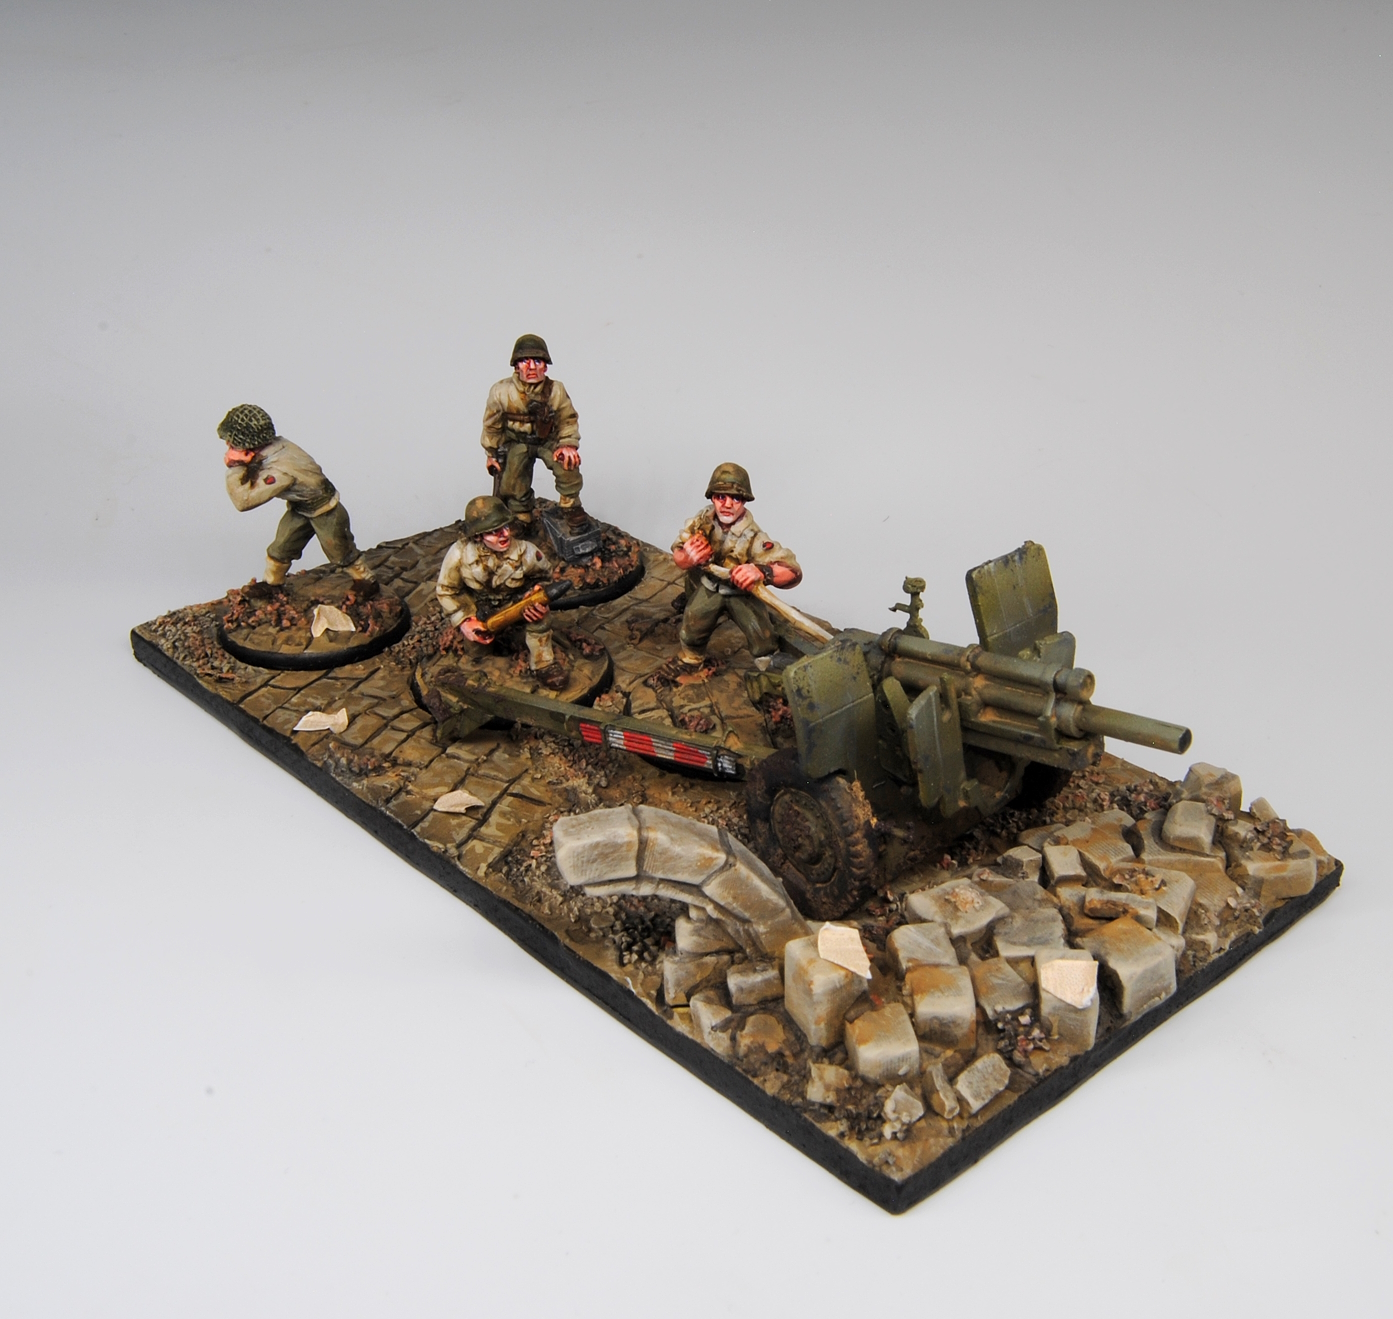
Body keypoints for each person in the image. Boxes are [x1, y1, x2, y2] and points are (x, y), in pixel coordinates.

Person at [219, 404, 376, 590]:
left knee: (340, 552)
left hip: (326, 511)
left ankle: (366, 582)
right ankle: (272, 584)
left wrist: (236, 466)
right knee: (281, 548)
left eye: (232, 443)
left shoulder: (281, 469)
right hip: (300, 508)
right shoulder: (275, 446)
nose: (227, 445)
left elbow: (243, 502)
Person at [671, 462, 801, 670]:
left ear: (744, 501)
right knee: (693, 627)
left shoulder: (754, 537)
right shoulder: (702, 522)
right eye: (721, 497)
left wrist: (761, 571)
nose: (727, 504)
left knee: (761, 635)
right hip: (710, 586)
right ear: (713, 498)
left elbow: (792, 572)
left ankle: (768, 669)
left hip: (741, 593)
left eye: (736, 498)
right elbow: (678, 554)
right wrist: (689, 557)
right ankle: (692, 660)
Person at [436, 495, 567, 687]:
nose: (504, 534)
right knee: (476, 654)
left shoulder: (527, 552)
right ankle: (480, 667)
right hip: (480, 612)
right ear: (478, 535)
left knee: (540, 620)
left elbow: (545, 577)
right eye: (494, 531)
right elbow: (447, 590)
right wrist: (464, 620)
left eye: (506, 527)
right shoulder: (460, 554)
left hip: (517, 607)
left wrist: (537, 594)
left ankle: (543, 664)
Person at [479, 334, 588, 528]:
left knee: (567, 466)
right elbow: (492, 425)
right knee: (512, 481)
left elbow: (567, 419)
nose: (531, 367)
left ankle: (571, 506)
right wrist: (491, 453)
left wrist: (567, 444)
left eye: (537, 361)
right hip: (516, 441)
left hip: (548, 440)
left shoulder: (555, 390)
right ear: (516, 366)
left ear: (545, 367)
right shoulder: (501, 392)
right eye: (524, 362)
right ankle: (521, 515)